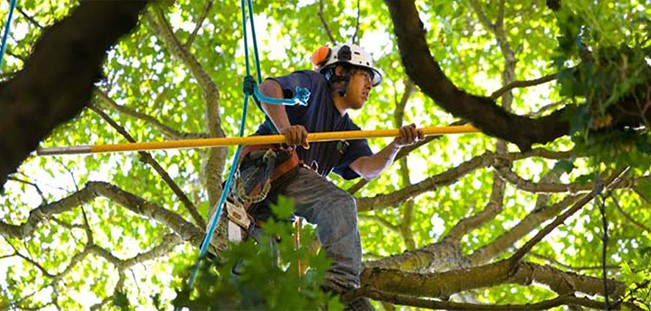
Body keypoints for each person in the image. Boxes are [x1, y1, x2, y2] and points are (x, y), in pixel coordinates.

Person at [253, 43, 422, 310]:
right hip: (267, 171)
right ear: (340, 72)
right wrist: (285, 129)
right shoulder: (314, 85)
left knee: (262, 293)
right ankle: (337, 285)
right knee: (338, 203)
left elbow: (368, 167)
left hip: (270, 214)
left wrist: (396, 146)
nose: (369, 86)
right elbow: (267, 89)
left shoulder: (345, 132)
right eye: (364, 76)